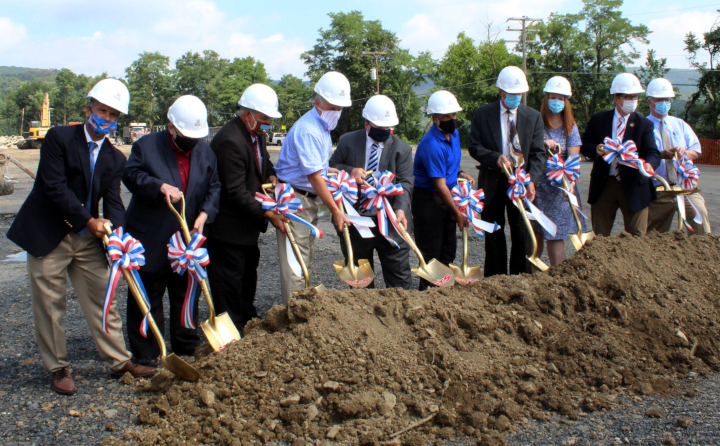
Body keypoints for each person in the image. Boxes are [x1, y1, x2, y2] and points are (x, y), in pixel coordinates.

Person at [7, 78, 156, 395]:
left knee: (104, 297)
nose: (107, 118)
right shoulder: (59, 138)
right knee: (50, 303)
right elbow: (54, 188)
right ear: (88, 109)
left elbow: (114, 202)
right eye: (102, 110)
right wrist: (89, 221)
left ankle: (119, 361)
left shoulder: (115, 158)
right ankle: (58, 367)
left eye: (114, 115)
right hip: (50, 232)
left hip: (89, 238)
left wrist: (117, 239)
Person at [122, 95, 220, 366]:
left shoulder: (205, 152)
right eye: (186, 135)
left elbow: (214, 187)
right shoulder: (146, 146)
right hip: (150, 237)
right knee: (147, 295)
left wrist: (205, 213)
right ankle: (146, 354)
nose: (191, 141)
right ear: (171, 128)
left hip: (188, 240)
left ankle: (186, 346)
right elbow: (131, 175)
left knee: (186, 293)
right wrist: (159, 187)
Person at [206, 84, 287, 331]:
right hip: (228, 229)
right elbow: (234, 191)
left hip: (246, 230)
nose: (268, 124)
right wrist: (268, 214)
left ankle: (247, 320)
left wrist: (272, 177)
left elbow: (264, 165)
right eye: (264, 118)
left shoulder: (254, 136)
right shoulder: (230, 140)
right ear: (248, 113)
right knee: (229, 282)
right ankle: (231, 331)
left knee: (247, 276)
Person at [273, 71, 353, 304]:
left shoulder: (322, 127)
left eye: (340, 108)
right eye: (332, 107)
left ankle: (302, 306)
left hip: (307, 198)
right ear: (318, 102)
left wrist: (328, 169)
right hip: (295, 200)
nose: (336, 112)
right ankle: (293, 314)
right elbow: (315, 179)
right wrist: (336, 210)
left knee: (305, 255)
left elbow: (315, 166)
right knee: (295, 261)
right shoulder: (308, 129)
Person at [329, 95, 414, 289]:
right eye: (380, 127)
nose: (385, 131)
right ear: (367, 124)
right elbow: (332, 166)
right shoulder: (347, 141)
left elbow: (406, 183)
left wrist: (400, 210)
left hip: (391, 222)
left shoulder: (402, 149)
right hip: (357, 221)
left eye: (388, 128)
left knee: (399, 278)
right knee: (360, 280)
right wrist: (350, 171)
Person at [468, 66, 546, 276]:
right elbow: (474, 146)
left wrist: (532, 180)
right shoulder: (483, 114)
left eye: (519, 94)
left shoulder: (533, 117)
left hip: (520, 183)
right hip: (493, 180)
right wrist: (496, 158)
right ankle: (495, 280)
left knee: (521, 232)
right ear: (501, 91)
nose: (516, 98)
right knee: (494, 231)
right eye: (511, 94)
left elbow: (539, 153)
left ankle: (520, 278)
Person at [580, 73, 660, 236]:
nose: (633, 101)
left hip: (634, 184)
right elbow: (584, 145)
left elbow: (653, 152)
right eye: (628, 97)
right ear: (617, 99)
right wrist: (598, 149)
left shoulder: (644, 124)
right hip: (604, 184)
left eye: (635, 97)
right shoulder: (598, 119)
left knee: (636, 237)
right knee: (599, 237)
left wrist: (649, 164)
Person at [413, 90, 474, 290]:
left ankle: (444, 293)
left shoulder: (453, 135)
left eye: (454, 115)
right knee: (431, 253)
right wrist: (458, 212)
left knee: (448, 249)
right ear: (435, 118)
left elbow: (450, 164)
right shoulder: (431, 145)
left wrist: (462, 173)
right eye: (447, 116)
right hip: (429, 200)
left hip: (448, 195)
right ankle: (427, 295)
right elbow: (439, 185)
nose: (452, 119)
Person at [645, 78, 711, 234]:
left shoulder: (680, 124)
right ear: (650, 102)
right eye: (660, 99)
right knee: (653, 236)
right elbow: (638, 155)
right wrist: (660, 155)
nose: (664, 103)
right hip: (658, 190)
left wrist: (683, 153)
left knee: (700, 219)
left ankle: (701, 253)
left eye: (667, 99)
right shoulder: (643, 125)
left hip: (684, 188)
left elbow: (696, 150)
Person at [532, 76, 586, 268]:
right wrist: (542, 143)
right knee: (536, 233)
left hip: (560, 189)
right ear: (546, 99)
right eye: (553, 97)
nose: (557, 102)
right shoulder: (535, 123)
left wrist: (569, 182)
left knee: (556, 234)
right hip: (538, 187)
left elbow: (573, 158)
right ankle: (533, 277)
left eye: (561, 98)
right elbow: (523, 147)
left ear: (566, 102)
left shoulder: (570, 127)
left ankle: (556, 276)